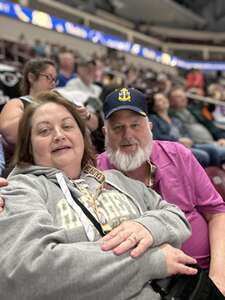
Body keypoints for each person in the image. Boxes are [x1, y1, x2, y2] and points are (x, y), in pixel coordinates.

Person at [0, 91, 196, 300]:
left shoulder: (114, 179)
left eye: (67, 126)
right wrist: (150, 262)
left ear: (82, 136)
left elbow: (176, 216)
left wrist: (148, 226)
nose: (59, 135)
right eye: (44, 130)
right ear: (29, 145)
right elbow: (26, 272)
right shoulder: (22, 189)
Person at [97, 87, 225, 296]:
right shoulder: (96, 174)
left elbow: (217, 213)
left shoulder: (178, 155)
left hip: (209, 268)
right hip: (153, 286)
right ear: (105, 132)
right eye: (118, 127)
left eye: (135, 125)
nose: (127, 135)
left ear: (149, 127)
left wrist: (219, 278)